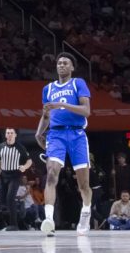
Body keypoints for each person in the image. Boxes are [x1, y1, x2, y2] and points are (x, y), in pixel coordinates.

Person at [34, 53, 94, 236]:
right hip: (56, 134)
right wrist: (38, 132)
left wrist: (63, 104)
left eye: (65, 63)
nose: (61, 65)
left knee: (83, 184)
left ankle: (85, 212)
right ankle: (49, 220)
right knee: (51, 174)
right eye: (59, 63)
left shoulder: (78, 83)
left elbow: (86, 111)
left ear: (72, 67)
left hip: (76, 134)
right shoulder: (48, 88)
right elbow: (46, 114)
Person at [0, 128, 31, 230]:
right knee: (2, 201)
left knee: (10, 197)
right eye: (7, 133)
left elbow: (29, 161)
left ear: (15, 135)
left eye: (11, 133)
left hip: (15, 175)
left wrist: (25, 167)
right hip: (3, 175)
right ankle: (4, 223)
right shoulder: (0, 146)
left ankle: (14, 224)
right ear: (5, 135)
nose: (9, 135)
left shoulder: (20, 148)